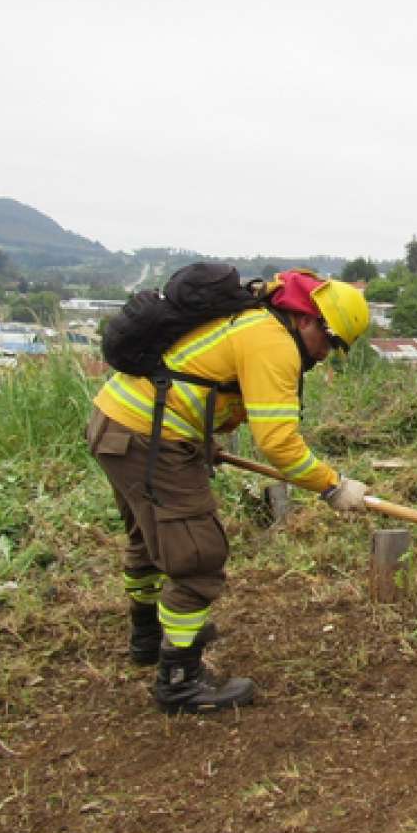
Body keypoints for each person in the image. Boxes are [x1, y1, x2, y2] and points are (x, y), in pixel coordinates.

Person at [87, 266, 372, 713]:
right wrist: (333, 486)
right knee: (197, 557)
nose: (327, 355)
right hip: (148, 437)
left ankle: (147, 638)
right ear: (308, 320)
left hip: (119, 424)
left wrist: (201, 439)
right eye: (331, 342)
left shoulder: (255, 318)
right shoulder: (273, 342)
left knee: (150, 540)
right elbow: (278, 441)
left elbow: (194, 378)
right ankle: (179, 680)